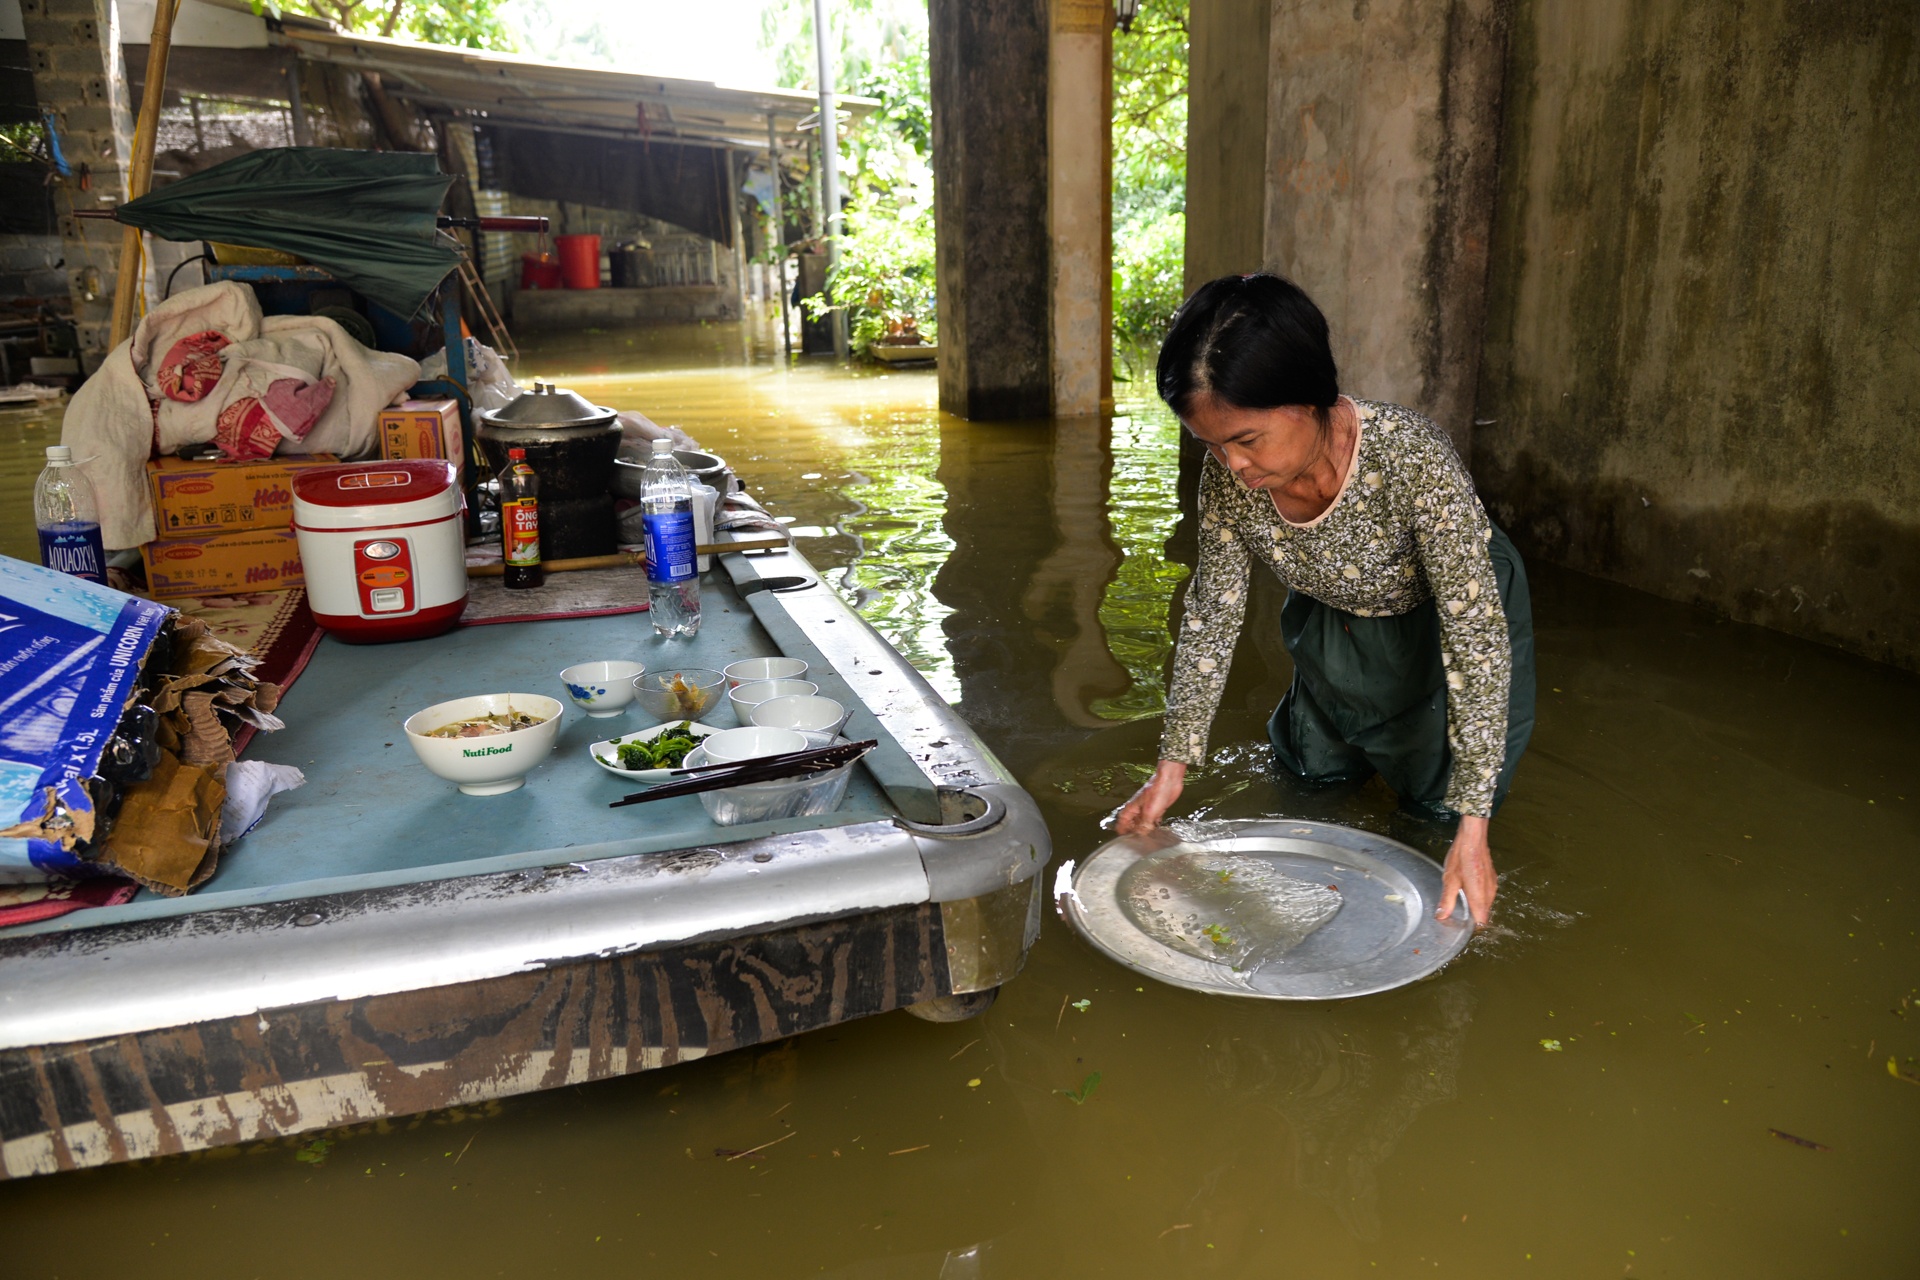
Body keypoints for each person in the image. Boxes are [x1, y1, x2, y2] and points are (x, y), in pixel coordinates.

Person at [1114, 274, 1536, 926]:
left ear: (1308, 400)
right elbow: (1214, 608)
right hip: (1332, 606)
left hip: (1441, 615)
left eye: (1246, 440)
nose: (1231, 466)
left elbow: (1473, 630)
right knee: (1310, 772)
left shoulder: (1408, 456)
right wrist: (1174, 763)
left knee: (1435, 805)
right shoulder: (1232, 476)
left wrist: (1473, 831)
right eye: (1210, 445)